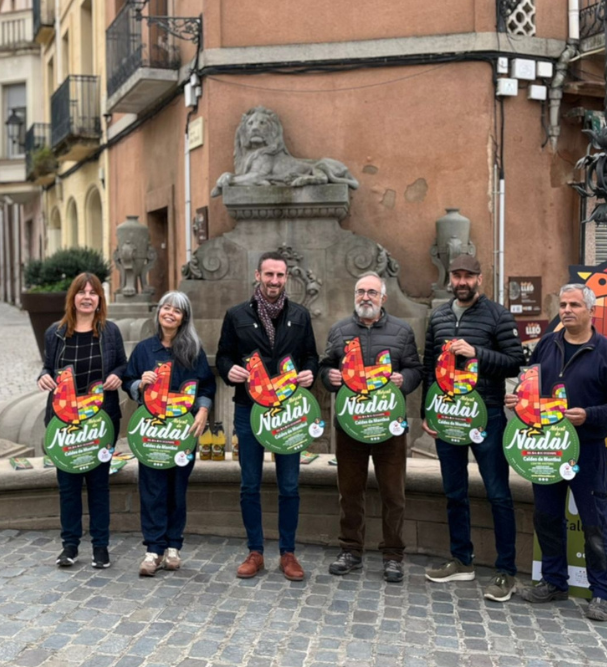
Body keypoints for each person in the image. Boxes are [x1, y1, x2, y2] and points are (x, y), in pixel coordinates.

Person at [508, 283, 607, 621]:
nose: (567, 310)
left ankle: (603, 593)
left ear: (591, 311)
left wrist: (589, 415)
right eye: (562, 304)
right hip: (546, 446)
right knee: (546, 516)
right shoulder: (547, 344)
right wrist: (520, 402)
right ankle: (554, 582)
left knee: (594, 523)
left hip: (587, 448)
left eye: (575, 304)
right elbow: (529, 385)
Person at [422, 255, 525, 600]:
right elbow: (427, 367)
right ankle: (461, 560)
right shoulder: (437, 316)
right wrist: (427, 410)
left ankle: (506, 571)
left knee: (498, 493)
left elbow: (514, 363)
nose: (462, 281)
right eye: (457, 275)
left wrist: (475, 352)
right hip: (448, 416)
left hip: (487, 416)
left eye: (468, 276)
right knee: (454, 492)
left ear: (479, 279)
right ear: (450, 278)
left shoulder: (498, 315)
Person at [217, 251, 319, 582]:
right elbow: (223, 356)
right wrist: (227, 370)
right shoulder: (236, 315)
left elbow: (311, 357)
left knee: (289, 484)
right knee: (250, 483)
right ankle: (255, 551)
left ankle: (288, 553)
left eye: (280, 275)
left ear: (286, 278)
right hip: (250, 409)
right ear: (258, 276)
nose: (274, 281)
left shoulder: (300, 316)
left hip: (289, 411)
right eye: (269, 274)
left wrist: (309, 374)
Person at [319, 272, 423, 583]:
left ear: (383, 298)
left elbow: (415, 369)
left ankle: (393, 555)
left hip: (389, 425)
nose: (366, 297)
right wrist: (329, 377)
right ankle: (350, 549)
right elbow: (325, 366)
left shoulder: (402, 331)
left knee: (394, 493)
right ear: (355, 296)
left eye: (372, 293)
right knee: (350, 492)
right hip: (350, 425)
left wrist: (404, 380)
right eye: (361, 292)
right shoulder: (339, 331)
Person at [37, 273, 127, 570]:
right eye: (81, 292)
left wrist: (118, 375)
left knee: (99, 484)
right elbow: (47, 367)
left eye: (93, 292)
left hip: (100, 421)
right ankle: (70, 546)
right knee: (68, 485)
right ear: (72, 297)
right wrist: (43, 377)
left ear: (100, 299)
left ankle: (100, 547)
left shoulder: (110, 332)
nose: (87, 297)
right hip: (65, 423)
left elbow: (122, 365)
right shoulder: (56, 333)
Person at [123, 291, 215, 577]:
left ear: (184, 317)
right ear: (159, 312)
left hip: (182, 433)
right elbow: (127, 380)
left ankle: (174, 546)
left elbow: (207, 386)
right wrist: (140, 383)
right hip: (151, 432)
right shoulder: (144, 350)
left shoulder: (193, 351)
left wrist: (203, 410)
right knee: (151, 489)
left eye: (177, 310)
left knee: (176, 489)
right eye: (166, 308)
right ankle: (153, 549)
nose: (170, 313)